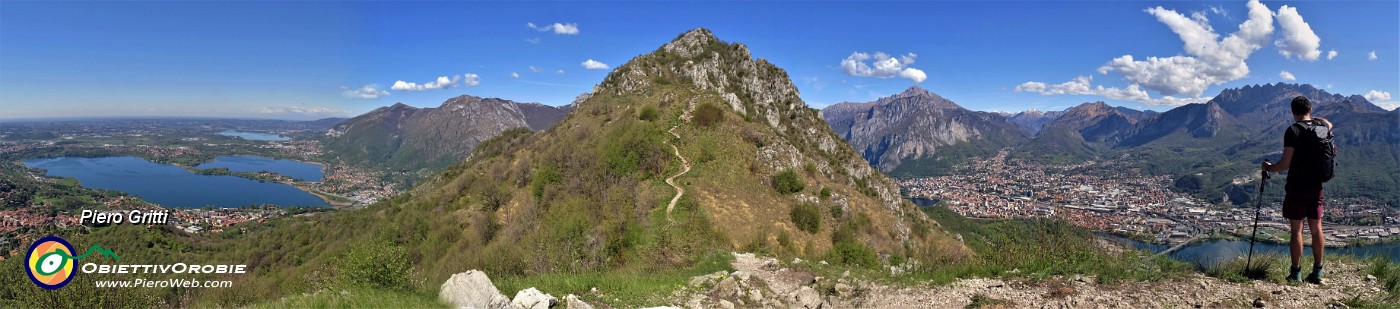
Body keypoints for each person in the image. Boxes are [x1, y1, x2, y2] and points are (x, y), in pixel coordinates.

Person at [1262, 95, 1332, 284]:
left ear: (1292, 112)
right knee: (1317, 229)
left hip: (1297, 187)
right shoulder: (1322, 128)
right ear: (1310, 110)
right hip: (1316, 186)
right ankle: (1318, 272)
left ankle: (1296, 273)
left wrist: (1268, 168)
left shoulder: (1292, 131)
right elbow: (1329, 123)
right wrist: (1314, 119)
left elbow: (1284, 164)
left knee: (1296, 231)